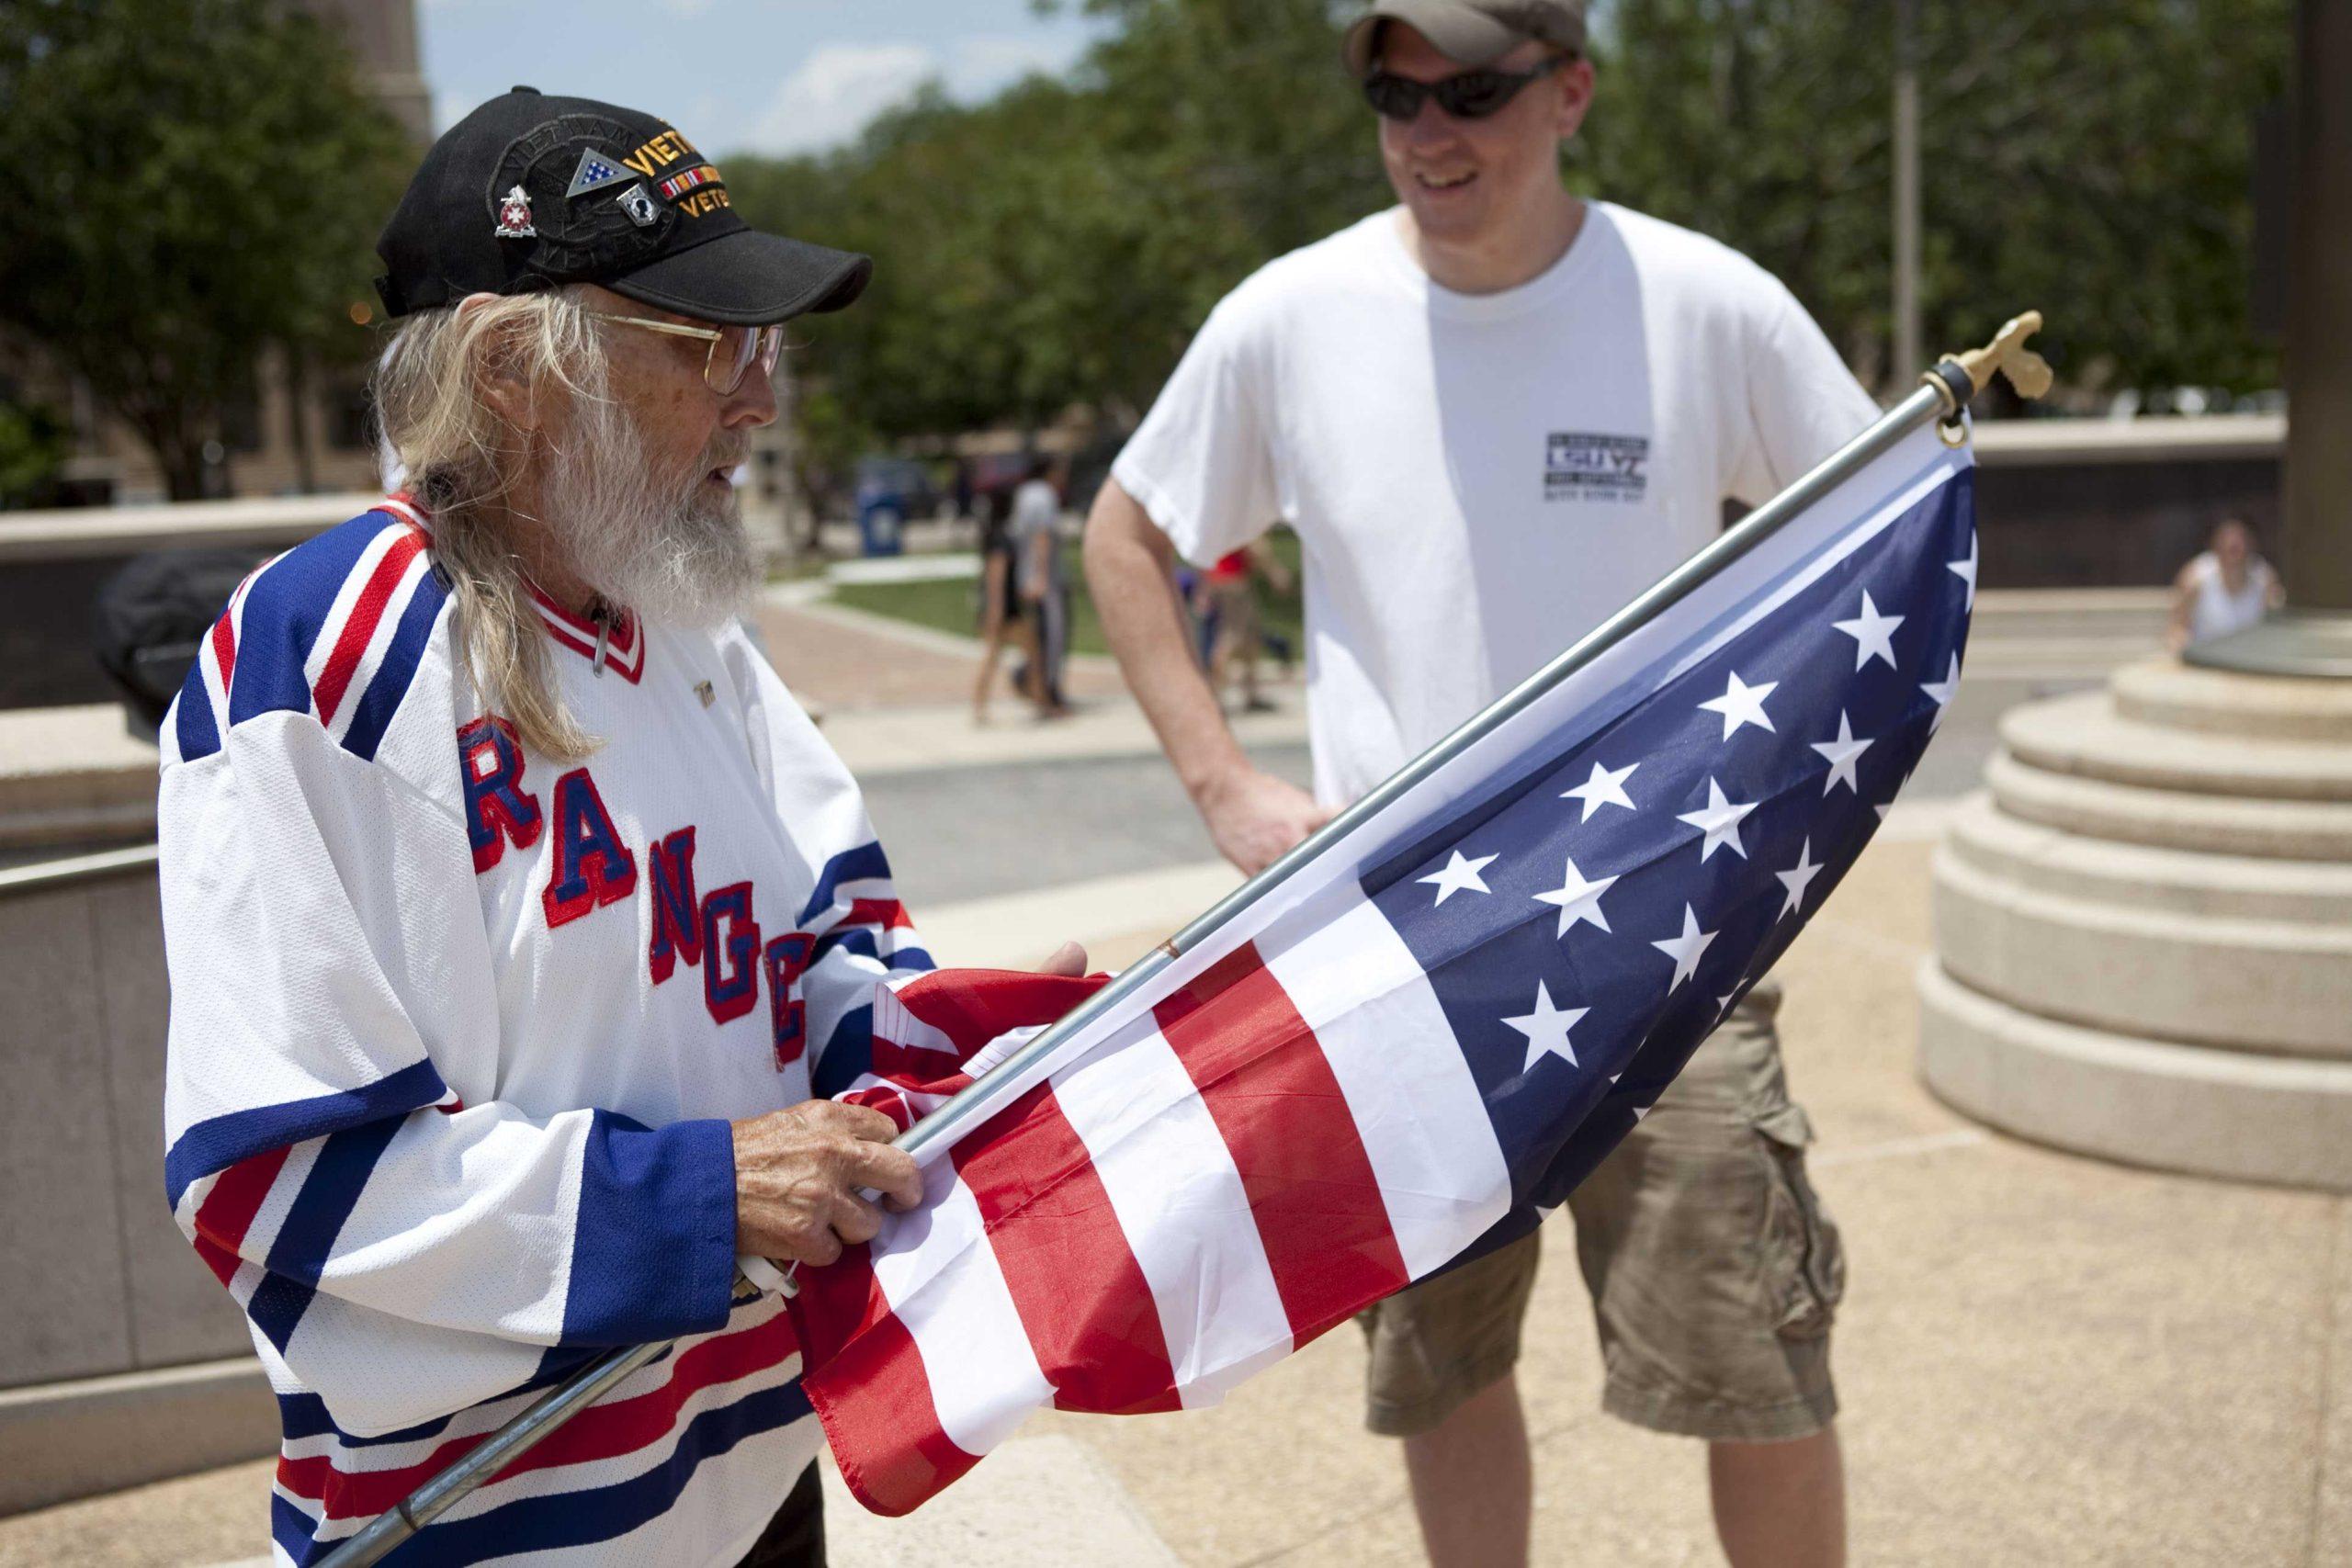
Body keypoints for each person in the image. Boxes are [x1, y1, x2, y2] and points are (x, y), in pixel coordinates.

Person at [158, 88, 1080, 1566]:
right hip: (498, 1516)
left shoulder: (688, 618)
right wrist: (710, 1196)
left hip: (754, 1459)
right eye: (707, 346)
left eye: (763, 345)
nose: (759, 397)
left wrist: (965, 1045)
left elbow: (826, 941)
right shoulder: (325, 654)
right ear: (519, 367)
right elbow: (277, 1174)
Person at [1084, 6, 1864, 1564]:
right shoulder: (1290, 316)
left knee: (1756, 1359)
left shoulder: (1709, 305)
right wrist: (1227, 787)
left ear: (1570, 91)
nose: (1430, 130)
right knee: (1440, 1367)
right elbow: (1126, 536)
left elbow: (1864, 552)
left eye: (1476, 91)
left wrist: (1760, 805)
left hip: (1671, 943)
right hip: (1403, 958)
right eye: (1394, 92)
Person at [973, 483, 1048, 723]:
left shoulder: (996, 536)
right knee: (1030, 655)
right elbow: (996, 579)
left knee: (997, 657)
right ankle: (1040, 702)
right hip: (1006, 610)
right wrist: (995, 613)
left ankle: (982, 705)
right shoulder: (1001, 540)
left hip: (1006, 607)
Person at [1010, 455, 1075, 716]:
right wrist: (1042, 577)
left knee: (1036, 638)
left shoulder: (1024, 493)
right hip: (1045, 581)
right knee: (1053, 638)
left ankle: (1035, 686)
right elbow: (1042, 536)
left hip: (1026, 577)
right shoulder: (1044, 495)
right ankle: (1047, 691)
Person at [1197, 541, 1291, 714]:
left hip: (1225, 580)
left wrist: (1205, 587)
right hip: (1234, 582)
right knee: (1231, 638)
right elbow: (1257, 546)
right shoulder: (1242, 518)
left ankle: (1250, 694)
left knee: (1250, 640)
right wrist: (1274, 572)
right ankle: (1214, 696)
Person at [2167, 515, 2284, 651]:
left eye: (2241, 538)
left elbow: (2276, 627)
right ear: (2215, 543)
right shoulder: (2195, 577)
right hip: (2205, 660)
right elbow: (2177, 628)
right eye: (2226, 538)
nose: (2234, 544)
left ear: (2252, 543)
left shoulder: (2265, 579)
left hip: (2249, 661)